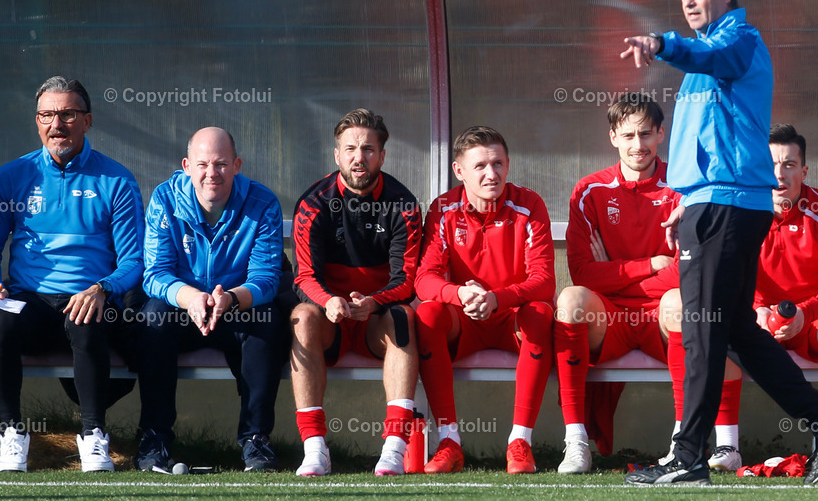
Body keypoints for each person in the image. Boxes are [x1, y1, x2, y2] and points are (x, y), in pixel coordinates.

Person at [621, 0, 818, 485]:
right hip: (715, 203)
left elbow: (714, 58)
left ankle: (687, 457)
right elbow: (705, 139)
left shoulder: (737, 41)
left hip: (727, 207)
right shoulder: (705, 58)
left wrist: (661, 43)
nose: (688, 0)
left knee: (702, 329)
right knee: (731, 329)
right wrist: (687, 197)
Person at [660, 124, 818, 472]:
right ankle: (725, 446)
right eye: (770, 164)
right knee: (706, 317)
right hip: (756, 321)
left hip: (811, 321)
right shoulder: (739, 212)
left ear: (804, 170)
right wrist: (756, 308)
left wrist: (804, 311)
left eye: (788, 164)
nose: (779, 174)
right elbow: (716, 277)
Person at [0, 76, 145, 473]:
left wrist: (103, 288)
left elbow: (134, 260)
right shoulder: (11, 176)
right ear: (37, 122)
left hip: (87, 296)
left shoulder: (116, 179)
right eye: (48, 114)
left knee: (87, 324)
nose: (57, 124)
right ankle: (12, 436)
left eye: (68, 114)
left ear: (87, 121)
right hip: (28, 297)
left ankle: (93, 437)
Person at [133, 127, 288, 473]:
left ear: (237, 165)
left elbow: (266, 278)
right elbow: (154, 274)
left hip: (234, 305)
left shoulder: (263, 202)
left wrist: (230, 298)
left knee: (268, 322)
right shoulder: (165, 198)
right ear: (187, 166)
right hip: (181, 306)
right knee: (152, 319)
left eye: (221, 164)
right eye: (202, 164)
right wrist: (190, 298)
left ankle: (255, 439)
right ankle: (155, 437)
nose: (211, 173)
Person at [415, 126, 555, 474]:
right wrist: (459, 293)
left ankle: (520, 442)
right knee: (429, 314)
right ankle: (449, 441)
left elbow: (544, 280)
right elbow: (424, 279)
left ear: (508, 165)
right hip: (466, 318)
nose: (491, 174)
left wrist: (498, 298)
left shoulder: (529, 204)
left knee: (540, 313)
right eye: (480, 166)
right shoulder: (443, 209)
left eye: (498, 164)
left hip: (512, 319)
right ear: (459, 170)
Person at [290, 108, 422, 477]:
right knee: (301, 318)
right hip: (329, 316)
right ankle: (314, 448)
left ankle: (394, 448)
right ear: (337, 155)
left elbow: (407, 279)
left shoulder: (404, 204)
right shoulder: (314, 203)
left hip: (374, 319)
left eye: (367, 149)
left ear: (382, 155)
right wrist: (329, 301)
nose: (358, 157)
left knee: (404, 317)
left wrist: (374, 302)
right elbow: (303, 277)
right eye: (349, 148)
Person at [555, 94, 679, 474]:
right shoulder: (590, 191)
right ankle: (575, 443)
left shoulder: (684, 187)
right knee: (572, 299)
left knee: (682, 302)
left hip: (660, 318)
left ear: (661, 134)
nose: (637, 145)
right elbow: (582, 273)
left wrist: (614, 272)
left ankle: (684, 442)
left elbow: (687, 273)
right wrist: (650, 265)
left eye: (645, 134)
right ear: (613, 137)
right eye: (628, 135)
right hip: (609, 319)